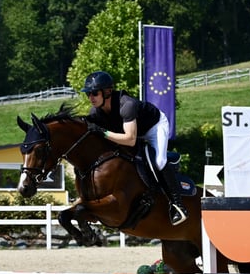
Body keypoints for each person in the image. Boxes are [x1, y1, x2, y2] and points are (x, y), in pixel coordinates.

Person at [80, 70, 188, 226]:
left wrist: (102, 132)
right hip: (132, 133)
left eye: (94, 93)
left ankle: (177, 205)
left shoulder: (127, 105)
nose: (91, 97)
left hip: (154, 128)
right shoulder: (95, 112)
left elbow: (130, 140)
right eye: (88, 94)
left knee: (158, 161)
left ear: (107, 91)